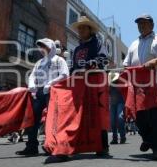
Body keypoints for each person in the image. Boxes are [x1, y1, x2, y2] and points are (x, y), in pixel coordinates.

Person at [44, 15, 109, 164]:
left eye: (83, 27)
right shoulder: (78, 48)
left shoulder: (98, 43)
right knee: (75, 114)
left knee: (96, 113)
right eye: (79, 28)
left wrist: (89, 66)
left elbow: (103, 59)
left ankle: (102, 146)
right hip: (79, 85)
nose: (80, 30)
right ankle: (68, 145)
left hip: (93, 83)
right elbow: (73, 67)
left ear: (90, 30)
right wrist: (69, 77)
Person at [123, 14, 157, 160]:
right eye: (139, 24)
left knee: (156, 114)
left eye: (144, 23)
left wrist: (154, 62)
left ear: (152, 25)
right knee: (139, 115)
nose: (141, 26)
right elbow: (126, 65)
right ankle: (148, 138)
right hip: (138, 83)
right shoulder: (133, 44)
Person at [16, 38, 69, 156]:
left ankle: (52, 145)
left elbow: (65, 74)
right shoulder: (39, 62)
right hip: (39, 92)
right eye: (40, 47)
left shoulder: (59, 60)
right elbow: (32, 75)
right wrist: (32, 85)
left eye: (44, 46)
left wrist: (50, 84)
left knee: (52, 119)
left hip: (53, 91)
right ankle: (31, 146)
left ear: (51, 47)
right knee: (32, 119)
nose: (42, 49)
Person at [109, 73, 126, 144]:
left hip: (120, 102)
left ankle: (122, 137)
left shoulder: (120, 83)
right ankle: (115, 138)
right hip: (112, 104)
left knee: (120, 118)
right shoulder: (109, 84)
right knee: (112, 121)